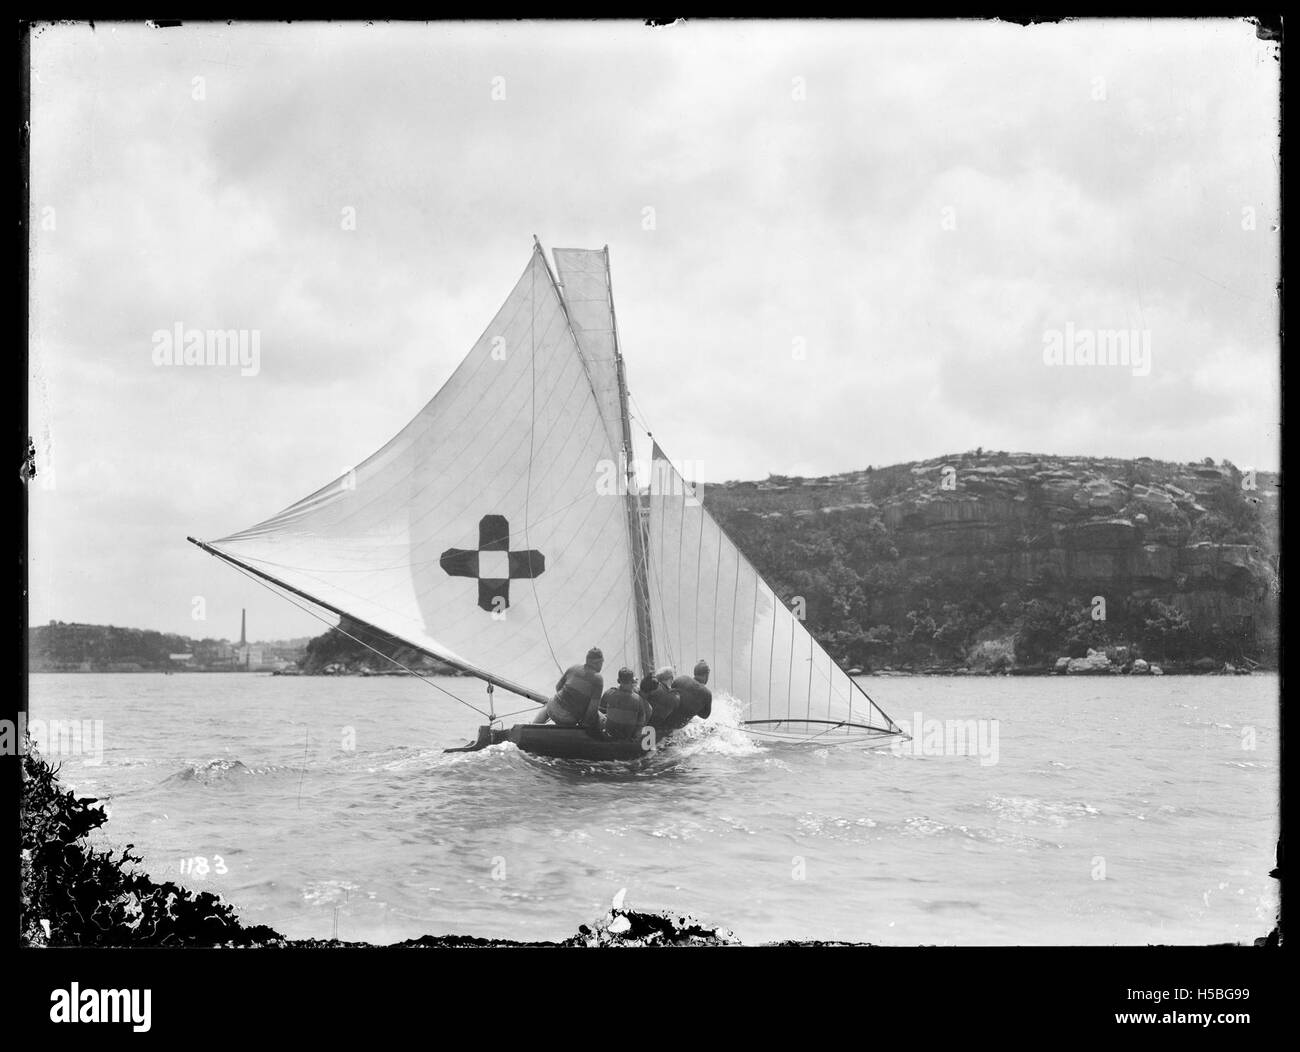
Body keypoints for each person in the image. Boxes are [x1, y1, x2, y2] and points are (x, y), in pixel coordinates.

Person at [533, 647, 604, 728]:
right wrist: (585, 725)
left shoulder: (574, 668)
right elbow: (592, 709)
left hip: (551, 709)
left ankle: (531, 726)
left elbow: (558, 687)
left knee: (548, 705)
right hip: (568, 719)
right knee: (600, 719)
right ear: (597, 663)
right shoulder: (598, 679)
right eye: (602, 662)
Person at [598, 667, 651, 741]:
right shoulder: (638, 699)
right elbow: (640, 724)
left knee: (598, 712)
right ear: (632, 681)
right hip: (628, 735)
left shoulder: (609, 693)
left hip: (610, 733)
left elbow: (602, 710)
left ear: (618, 681)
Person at [663, 660, 712, 732]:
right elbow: (705, 715)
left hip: (664, 720)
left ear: (695, 673)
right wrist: (694, 707)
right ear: (706, 675)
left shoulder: (681, 679)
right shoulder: (707, 694)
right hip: (678, 727)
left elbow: (670, 693)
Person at [644, 666, 680, 733]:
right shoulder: (669, 694)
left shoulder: (653, 687)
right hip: (656, 728)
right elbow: (675, 702)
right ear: (671, 678)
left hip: (644, 725)